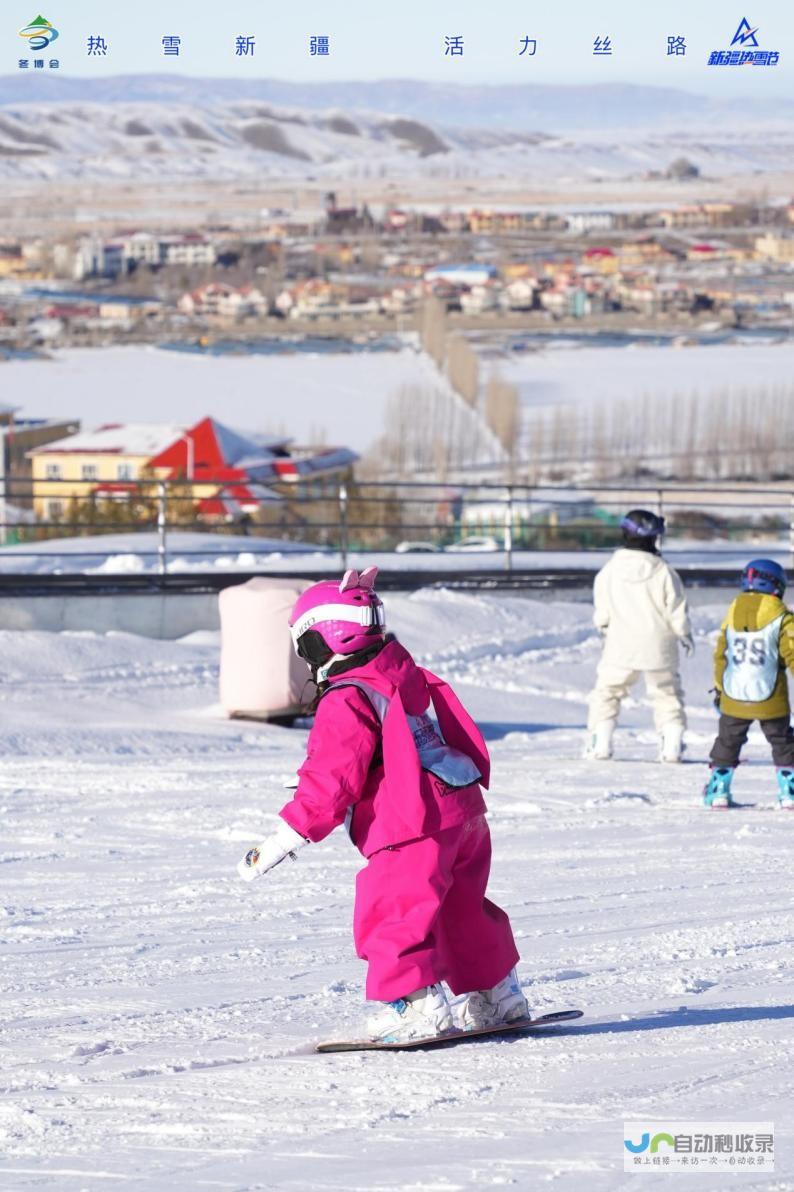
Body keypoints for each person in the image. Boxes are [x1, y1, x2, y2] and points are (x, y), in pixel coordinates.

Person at [236, 566, 526, 1042]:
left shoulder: (346, 697)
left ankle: (414, 1007)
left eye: (306, 647)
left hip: (411, 823)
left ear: (328, 640)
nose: (307, 661)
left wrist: (283, 839)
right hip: (463, 810)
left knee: (393, 910)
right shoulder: (396, 676)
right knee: (461, 908)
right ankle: (498, 994)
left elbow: (331, 780)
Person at [585, 509, 693, 763]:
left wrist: (604, 627)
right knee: (667, 695)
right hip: (659, 646)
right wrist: (684, 634)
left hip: (620, 645)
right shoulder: (665, 572)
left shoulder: (609, 571)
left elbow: (602, 611)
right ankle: (672, 746)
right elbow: (676, 610)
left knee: (608, 692)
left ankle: (600, 743)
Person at [704, 558, 794, 809]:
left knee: (727, 741)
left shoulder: (732, 613)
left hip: (734, 694)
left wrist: (720, 688)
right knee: (783, 741)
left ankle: (719, 789)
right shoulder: (783, 618)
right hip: (771, 698)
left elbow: (721, 655)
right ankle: (789, 790)